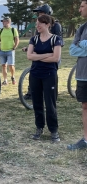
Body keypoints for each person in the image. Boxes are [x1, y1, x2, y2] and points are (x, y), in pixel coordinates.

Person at [26, 14, 62, 142]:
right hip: (35, 74)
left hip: (49, 75)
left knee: (50, 103)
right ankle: (39, 127)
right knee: (37, 103)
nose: (37, 25)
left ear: (47, 24)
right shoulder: (34, 39)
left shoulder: (56, 39)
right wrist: (47, 54)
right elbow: (29, 56)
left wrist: (38, 55)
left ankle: (53, 131)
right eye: (37, 23)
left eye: (40, 23)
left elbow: (56, 58)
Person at [22, 3, 63, 100]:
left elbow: (59, 43)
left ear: (48, 14)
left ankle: (53, 95)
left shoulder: (56, 25)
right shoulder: (38, 25)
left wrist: (46, 53)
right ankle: (31, 92)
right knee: (34, 72)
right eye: (39, 13)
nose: (39, 15)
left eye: (41, 13)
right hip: (42, 54)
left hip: (53, 55)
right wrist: (30, 49)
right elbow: (37, 41)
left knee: (52, 75)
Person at [67, 0, 87, 150]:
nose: (79, 10)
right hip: (82, 75)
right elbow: (72, 50)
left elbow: (78, 46)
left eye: (82, 6)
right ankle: (86, 140)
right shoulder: (81, 28)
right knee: (85, 106)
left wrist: (82, 44)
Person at [0, 17, 19, 85]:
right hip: (2, 51)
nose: (3, 23)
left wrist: (14, 47)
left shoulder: (13, 30)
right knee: (3, 66)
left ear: (8, 22)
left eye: (4, 21)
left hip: (10, 51)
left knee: (11, 65)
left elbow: (17, 39)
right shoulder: (0, 30)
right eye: (2, 22)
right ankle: (5, 80)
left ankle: (12, 76)